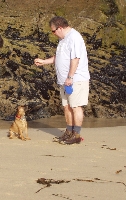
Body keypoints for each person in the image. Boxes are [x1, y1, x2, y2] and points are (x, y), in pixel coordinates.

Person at [34, 16, 90, 144]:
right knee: (67, 107)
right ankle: (69, 131)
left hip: (76, 79)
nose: (53, 34)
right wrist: (44, 61)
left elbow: (75, 58)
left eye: (53, 31)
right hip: (63, 81)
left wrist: (70, 77)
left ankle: (76, 134)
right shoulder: (63, 39)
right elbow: (58, 57)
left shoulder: (74, 37)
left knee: (76, 106)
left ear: (59, 28)